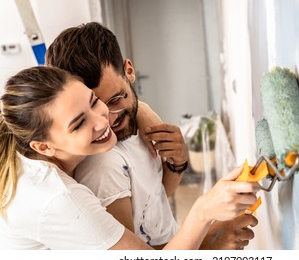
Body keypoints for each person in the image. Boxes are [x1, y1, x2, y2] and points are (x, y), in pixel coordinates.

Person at [45, 22, 259, 250]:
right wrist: (206, 237)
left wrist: (177, 161)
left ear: (129, 71)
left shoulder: (138, 122)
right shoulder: (102, 167)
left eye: (116, 99)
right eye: (95, 106)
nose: (107, 121)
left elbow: (156, 196)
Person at [0, 66, 260, 249]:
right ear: (43, 147)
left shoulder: (29, 138)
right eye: (79, 124)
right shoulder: (60, 199)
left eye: (93, 102)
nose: (104, 120)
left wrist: (140, 110)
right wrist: (203, 215)